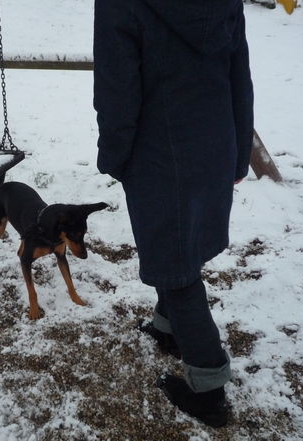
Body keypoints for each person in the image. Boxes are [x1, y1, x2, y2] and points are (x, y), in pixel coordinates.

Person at [93, 0, 254, 428]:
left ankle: (208, 388)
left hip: (158, 152)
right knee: (180, 244)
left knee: (176, 264)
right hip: (214, 141)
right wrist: (237, 156)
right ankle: (168, 328)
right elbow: (240, 77)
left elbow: (115, 89)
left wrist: (113, 156)